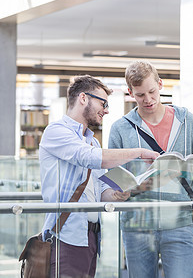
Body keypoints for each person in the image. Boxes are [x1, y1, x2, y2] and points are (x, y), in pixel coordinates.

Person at [39, 74, 160, 278]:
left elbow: (101, 191)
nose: (106, 110)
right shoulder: (56, 131)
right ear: (83, 98)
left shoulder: (92, 142)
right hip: (65, 236)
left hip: (91, 237)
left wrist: (120, 193)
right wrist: (138, 152)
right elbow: (90, 158)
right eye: (103, 103)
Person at [108, 60, 193, 278]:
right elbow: (112, 174)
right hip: (137, 225)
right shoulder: (120, 129)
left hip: (179, 222)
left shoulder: (187, 121)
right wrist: (119, 190)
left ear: (161, 84)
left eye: (152, 92)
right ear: (130, 93)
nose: (148, 100)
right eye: (140, 95)